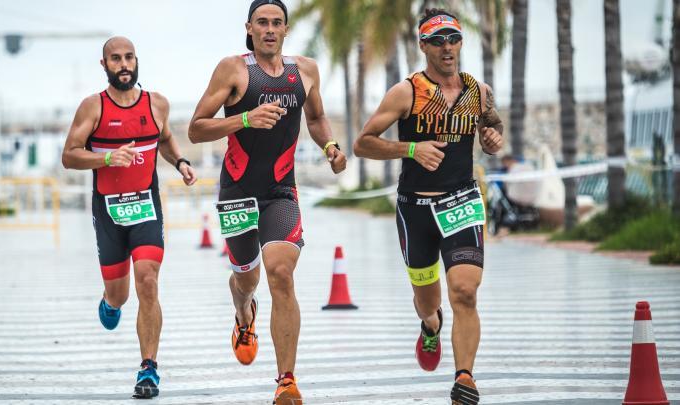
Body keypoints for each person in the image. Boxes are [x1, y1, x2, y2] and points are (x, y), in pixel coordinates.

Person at [188, 1, 346, 403]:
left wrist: (329, 146)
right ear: (250, 28)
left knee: (280, 274)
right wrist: (244, 119)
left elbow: (316, 117)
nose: (270, 29)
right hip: (237, 191)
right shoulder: (233, 69)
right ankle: (244, 314)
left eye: (277, 23)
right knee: (247, 279)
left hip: (280, 191)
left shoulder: (305, 71)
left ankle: (286, 380)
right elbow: (196, 129)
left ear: (286, 30)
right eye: (263, 23)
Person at [353, 9, 503, 405]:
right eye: (437, 41)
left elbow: (494, 126)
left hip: (462, 201)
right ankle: (430, 325)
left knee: (466, 292)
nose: (447, 48)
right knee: (428, 301)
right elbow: (363, 142)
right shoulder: (406, 92)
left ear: (460, 42)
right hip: (415, 209)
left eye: (453, 39)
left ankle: (465, 378)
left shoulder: (479, 91)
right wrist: (411, 149)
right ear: (423, 46)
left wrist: (491, 137)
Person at [61, 36, 196, 399]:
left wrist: (180, 161)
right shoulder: (93, 108)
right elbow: (70, 155)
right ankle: (109, 301)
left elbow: (165, 138)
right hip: (108, 211)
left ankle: (148, 368)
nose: (124, 65)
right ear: (104, 65)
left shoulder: (157, 104)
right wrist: (105, 159)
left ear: (137, 61)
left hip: (146, 207)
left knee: (148, 279)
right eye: (116, 59)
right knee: (120, 296)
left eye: (129, 58)